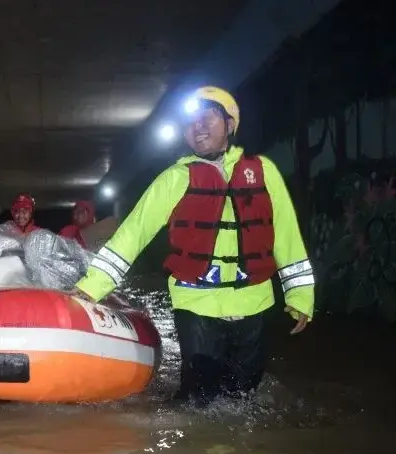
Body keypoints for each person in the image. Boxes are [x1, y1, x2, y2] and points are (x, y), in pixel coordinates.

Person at [73, 86, 314, 406]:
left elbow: (286, 234)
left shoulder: (263, 172)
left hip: (254, 303)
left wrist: (300, 295)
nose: (198, 125)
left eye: (208, 116)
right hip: (196, 303)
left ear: (230, 124)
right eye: (190, 122)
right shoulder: (174, 179)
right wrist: (91, 288)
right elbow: (133, 234)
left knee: (244, 400)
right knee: (199, 402)